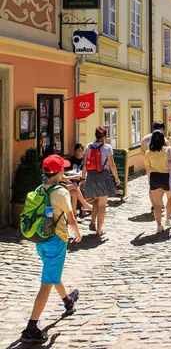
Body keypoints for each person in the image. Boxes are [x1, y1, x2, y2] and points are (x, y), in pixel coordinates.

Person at [20, 154, 82, 345]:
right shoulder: (61, 193)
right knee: (47, 282)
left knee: (52, 272)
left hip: (40, 239)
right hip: (56, 239)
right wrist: (78, 234)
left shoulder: (40, 189)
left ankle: (68, 301)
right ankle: (31, 328)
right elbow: (71, 219)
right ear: (60, 171)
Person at [144, 130, 171, 233]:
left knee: (157, 204)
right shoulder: (168, 150)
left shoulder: (148, 153)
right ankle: (168, 219)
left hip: (155, 177)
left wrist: (149, 178)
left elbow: (147, 167)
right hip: (167, 177)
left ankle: (159, 226)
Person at [81, 125, 120, 237]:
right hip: (103, 176)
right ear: (105, 136)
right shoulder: (107, 148)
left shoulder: (89, 146)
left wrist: (83, 178)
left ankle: (92, 222)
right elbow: (112, 165)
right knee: (102, 204)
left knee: (96, 201)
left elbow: (84, 164)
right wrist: (116, 178)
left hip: (91, 176)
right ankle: (99, 230)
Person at [141, 121, 167, 213]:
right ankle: (158, 202)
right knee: (162, 187)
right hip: (162, 166)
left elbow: (142, 153)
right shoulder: (164, 140)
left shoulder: (145, 139)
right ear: (162, 129)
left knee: (152, 186)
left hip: (150, 166)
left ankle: (154, 205)